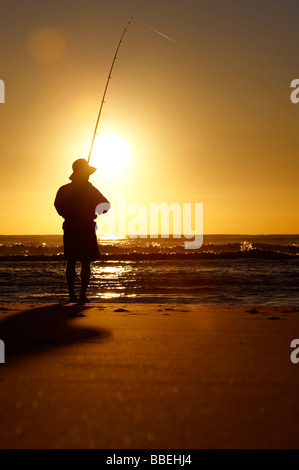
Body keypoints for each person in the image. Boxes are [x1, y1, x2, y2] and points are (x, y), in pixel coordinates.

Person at [54, 158, 110, 303]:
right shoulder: (88, 190)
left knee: (75, 262)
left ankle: (75, 295)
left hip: (74, 226)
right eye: (86, 173)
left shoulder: (67, 189)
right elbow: (106, 206)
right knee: (81, 262)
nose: (88, 176)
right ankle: (79, 295)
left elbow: (58, 206)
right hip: (83, 227)